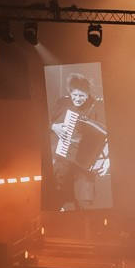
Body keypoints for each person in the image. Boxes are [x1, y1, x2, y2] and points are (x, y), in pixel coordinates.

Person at [49, 74, 111, 211]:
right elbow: (44, 121)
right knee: (55, 199)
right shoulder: (63, 103)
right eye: (75, 95)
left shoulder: (98, 106)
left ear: (88, 93)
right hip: (63, 163)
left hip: (84, 167)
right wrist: (54, 126)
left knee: (83, 204)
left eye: (81, 95)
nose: (77, 99)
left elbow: (108, 135)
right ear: (70, 92)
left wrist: (108, 160)